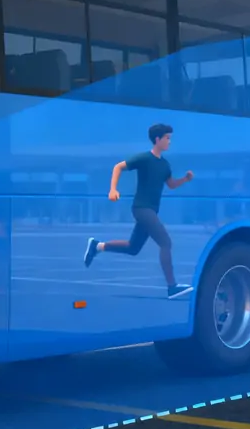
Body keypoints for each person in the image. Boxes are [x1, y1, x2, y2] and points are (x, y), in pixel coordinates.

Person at [83, 123, 195, 300]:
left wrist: (185, 179)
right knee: (165, 242)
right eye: (167, 138)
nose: (169, 142)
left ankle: (97, 246)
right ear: (157, 139)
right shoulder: (144, 158)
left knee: (133, 248)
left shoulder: (165, 165)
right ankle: (172, 287)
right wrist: (113, 189)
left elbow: (171, 184)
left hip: (151, 210)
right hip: (142, 208)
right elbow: (118, 167)